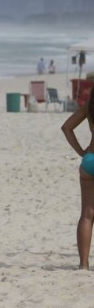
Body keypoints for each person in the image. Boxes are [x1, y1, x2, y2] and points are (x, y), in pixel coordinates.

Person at [62, 86, 94, 270]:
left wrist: (82, 152)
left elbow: (66, 127)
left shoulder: (90, 106)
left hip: (90, 160)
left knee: (87, 215)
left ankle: (83, 265)